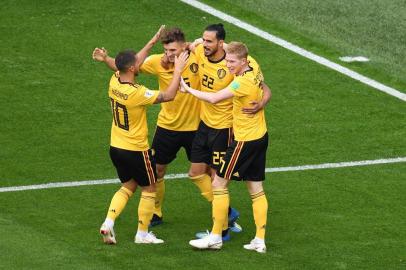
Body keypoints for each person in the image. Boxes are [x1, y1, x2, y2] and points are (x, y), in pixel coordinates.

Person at [93, 27, 200, 226]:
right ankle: (146, 229)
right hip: (149, 139)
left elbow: (124, 67)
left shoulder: (115, 80)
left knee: (128, 187)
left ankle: (108, 223)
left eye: (172, 51)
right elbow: (167, 95)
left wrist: (152, 42)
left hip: (118, 145)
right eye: (166, 51)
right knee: (150, 185)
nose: (168, 55)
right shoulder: (138, 91)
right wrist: (178, 70)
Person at [181, 41, 271, 253]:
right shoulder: (254, 65)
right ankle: (260, 240)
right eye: (227, 60)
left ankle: (215, 237)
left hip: (244, 141)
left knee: (218, 184)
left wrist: (187, 89)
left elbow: (213, 98)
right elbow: (267, 88)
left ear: (243, 61)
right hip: (260, 136)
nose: (228, 65)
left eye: (232, 62)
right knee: (255, 188)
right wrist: (262, 102)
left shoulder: (241, 83)